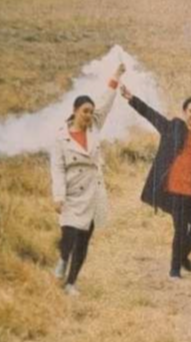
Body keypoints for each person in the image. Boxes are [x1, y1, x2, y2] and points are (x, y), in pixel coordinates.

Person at [119, 85, 191, 280]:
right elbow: (151, 115)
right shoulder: (173, 127)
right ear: (185, 112)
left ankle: (182, 257)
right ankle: (174, 270)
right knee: (181, 228)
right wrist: (132, 99)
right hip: (175, 188)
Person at [49, 64, 125, 296]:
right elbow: (57, 168)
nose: (88, 115)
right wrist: (59, 196)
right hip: (72, 192)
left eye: (91, 111)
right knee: (69, 235)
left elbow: (106, 101)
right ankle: (62, 260)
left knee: (84, 239)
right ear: (74, 111)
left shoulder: (94, 127)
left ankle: (71, 282)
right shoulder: (60, 137)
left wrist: (117, 75)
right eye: (84, 111)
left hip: (93, 191)